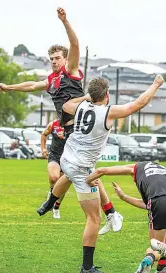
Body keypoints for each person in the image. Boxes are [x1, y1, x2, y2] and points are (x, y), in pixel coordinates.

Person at [0, 7, 123, 233]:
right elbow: (31, 86)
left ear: (65, 59)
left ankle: (106, 213)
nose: (54, 61)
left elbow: (75, 44)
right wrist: (9, 87)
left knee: (85, 171)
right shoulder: (52, 79)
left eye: (57, 58)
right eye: (51, 59)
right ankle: (107, 212)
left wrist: (65, 22)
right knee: (79, 171)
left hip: (79, 128)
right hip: (66, 132)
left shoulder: (71, 69)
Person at [37, 74, 166, 273]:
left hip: (67, 158)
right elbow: (139, 103)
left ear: (91, 94)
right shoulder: (107, 112)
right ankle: (86, 267)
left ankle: (49, 203)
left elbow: (65, 106)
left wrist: (84, 98)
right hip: (81, 168)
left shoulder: (79, 106)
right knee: (94, 219)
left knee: (67, 175)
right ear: (106, 95)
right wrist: (156, 84)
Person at [86, 161, 166, 273]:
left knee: (156, 246)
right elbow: (148, 205)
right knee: (162, 244)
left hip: (158, 202)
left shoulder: (136, 168)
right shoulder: (162, 169)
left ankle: (149, 259)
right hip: (158, 202)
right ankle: (162, 268)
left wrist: (88, 180)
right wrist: (123, 197)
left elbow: (101, 170)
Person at [41, 119, 66, 219]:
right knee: (53, 178)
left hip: (67, 158)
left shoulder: (75, 125)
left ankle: (56, 207)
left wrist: (65, 137)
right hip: (54, 156)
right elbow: (43, 135)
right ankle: (51, 192)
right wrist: (43, 149)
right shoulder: (53, 124)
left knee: (62, 185)